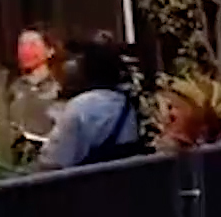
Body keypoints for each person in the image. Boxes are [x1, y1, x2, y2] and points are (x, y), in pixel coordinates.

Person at [39, 37, 148, 169]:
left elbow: (52, 162)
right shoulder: (125, 103)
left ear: (85, 70)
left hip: (89, 185)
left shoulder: (80, 107)